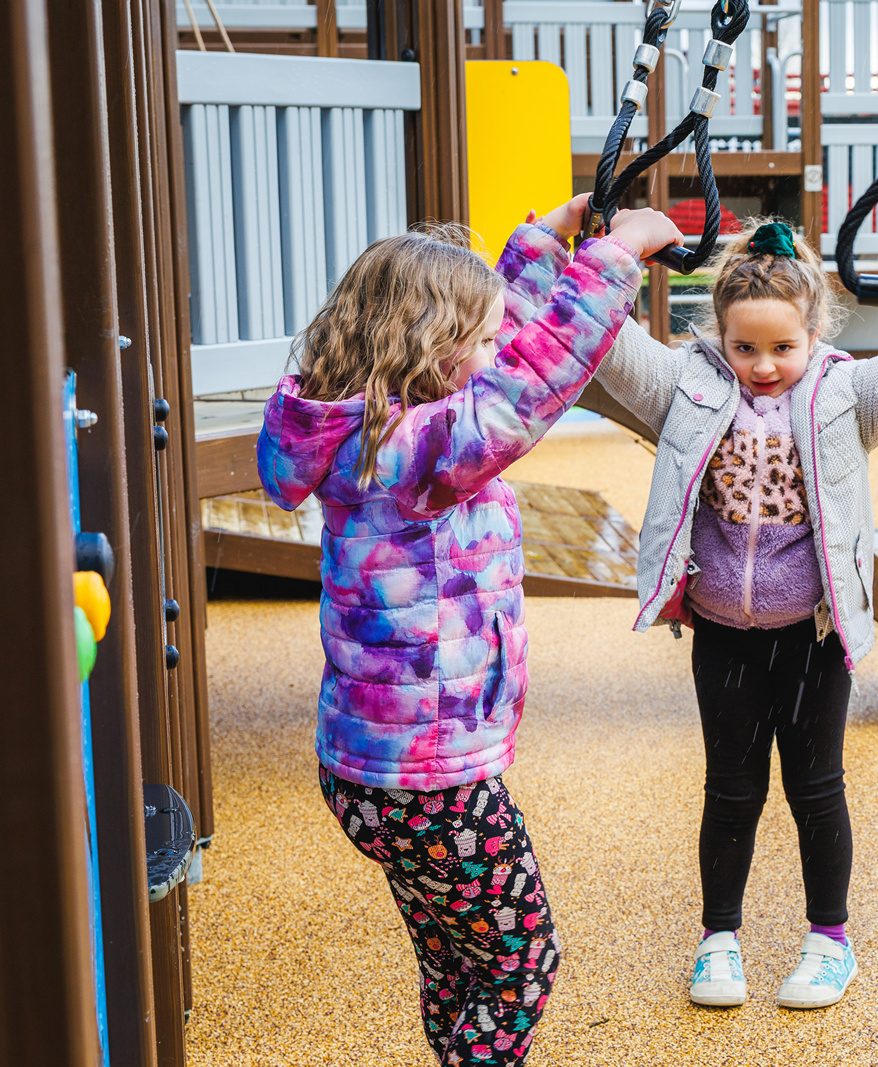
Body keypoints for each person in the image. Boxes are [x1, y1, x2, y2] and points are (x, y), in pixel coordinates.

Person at [494, 213, 878, 1011]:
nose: (764, 365)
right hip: (725, 637)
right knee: (731, 791)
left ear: (815, 333)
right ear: (718, 337)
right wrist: (564, 255)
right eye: (744, 347)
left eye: (782, 347)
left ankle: (829, 940)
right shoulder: (688, 388)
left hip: (813, 636)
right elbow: (602, 341)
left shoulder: (846, 397)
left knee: (817, 788)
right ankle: (718, 938)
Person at [256, 204, 682, 1065]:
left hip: (364, 771)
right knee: (522, 964)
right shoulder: (418, 453)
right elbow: (529, 383)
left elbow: (502, 352)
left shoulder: (356, 428)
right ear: (432, 348)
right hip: (434, 785)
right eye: (481, 341)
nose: (496, 351)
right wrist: (616, 255)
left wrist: (543, 245)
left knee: (457, 963)